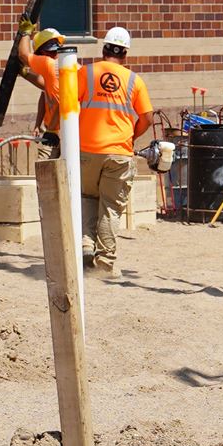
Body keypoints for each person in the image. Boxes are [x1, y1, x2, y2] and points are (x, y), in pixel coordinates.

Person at [76, 25, 158, 274]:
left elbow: (67, 104)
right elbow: (147, 117)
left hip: (86, 151)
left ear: (103, 49)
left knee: (87, 197)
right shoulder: (134, 80)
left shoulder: (86, 73)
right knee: (110, 206)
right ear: (125, 54)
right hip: (119, 152)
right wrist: (131, 136)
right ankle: (105, 262)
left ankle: (86, 245)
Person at [11, 25, 70, 156]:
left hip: (55, 131)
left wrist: (26, 32)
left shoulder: (48, 63)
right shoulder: (65, 67)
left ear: (41, 52)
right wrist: (38, 124)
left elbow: (23, 55)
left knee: (45, 170)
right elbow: (45, 89)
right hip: (68, 130)